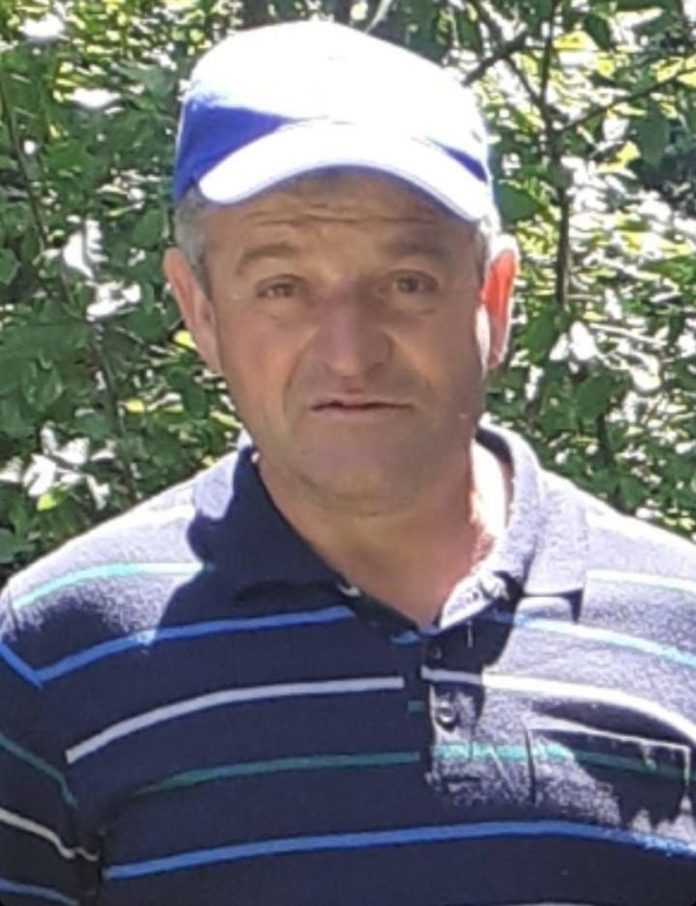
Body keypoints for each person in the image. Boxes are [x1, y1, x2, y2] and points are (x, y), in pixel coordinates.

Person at [1, 19, 695, 906]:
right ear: (201, 309)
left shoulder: (678, 624)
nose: (350, 352)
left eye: (406, 283)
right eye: (282, 287)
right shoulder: (56, 655)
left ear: (492, 298)